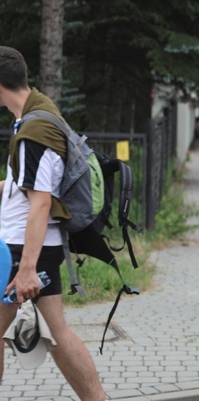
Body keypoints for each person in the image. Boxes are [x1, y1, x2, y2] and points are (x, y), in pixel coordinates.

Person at [0, 47, 105, 399]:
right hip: (34, 247)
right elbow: (29, 188)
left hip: (22, 251)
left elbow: (41, 203)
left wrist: (27, 268)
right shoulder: (38, 116)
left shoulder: (34, 131)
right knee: (56, 334)